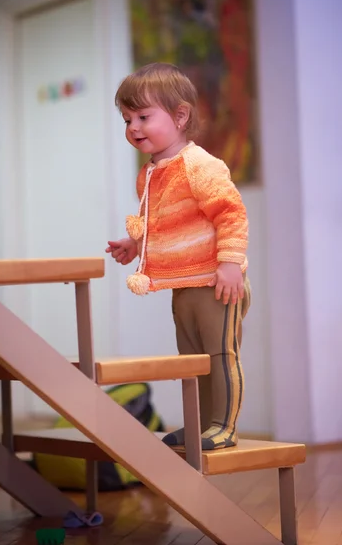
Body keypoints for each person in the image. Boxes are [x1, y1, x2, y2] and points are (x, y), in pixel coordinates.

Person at [106, 62, 251, 450]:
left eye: (143, 116)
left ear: (180, 115)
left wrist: (230, 263)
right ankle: (201, 423)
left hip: (214, 282)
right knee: (192, 359)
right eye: (127, 119)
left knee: (219, 354)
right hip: (181, 284)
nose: (133, 127)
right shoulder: (150, 173)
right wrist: (135, 244)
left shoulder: (198, 165)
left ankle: (224, 426)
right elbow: (159, 222)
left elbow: (231, 213)